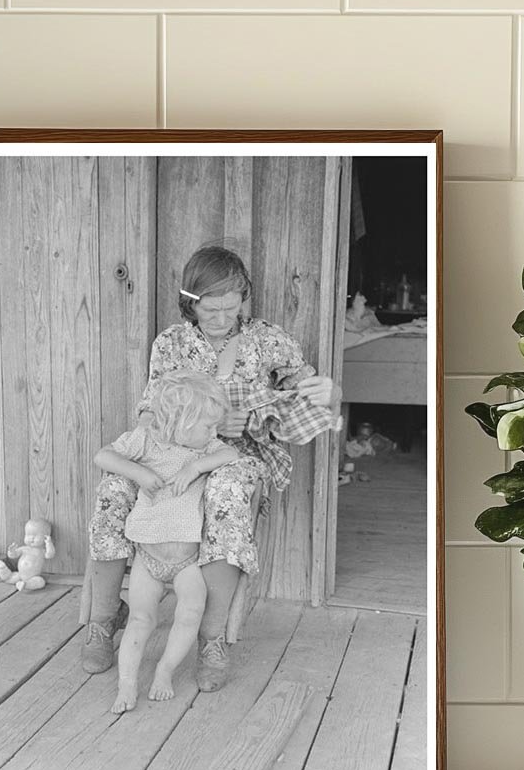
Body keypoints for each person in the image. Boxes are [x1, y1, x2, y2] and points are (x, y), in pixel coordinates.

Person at [82, 244, 341, 691]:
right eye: (211, 310)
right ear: (190, 301)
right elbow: (150, 413)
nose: (223, 318)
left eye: (231, 307)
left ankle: (210, 639)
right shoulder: (172, 343)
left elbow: (314, 400)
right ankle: (105, 620)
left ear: (244, 298)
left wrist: (327, 392)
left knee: (225, 495)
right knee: (114, 489)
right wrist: (195, 431)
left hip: (238, 454)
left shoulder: (268, 340)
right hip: (172, 449)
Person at [93, 371, 239, 713]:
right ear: (181, 421)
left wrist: (198, 467)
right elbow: (103, 456)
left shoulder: (205, 448)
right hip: (148, 559)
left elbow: (231, 454)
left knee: (190, 613)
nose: (213, 432)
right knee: (142, 620)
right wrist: (138, 473)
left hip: (187, 563)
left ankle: (165, 670)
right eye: (207, 426)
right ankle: (127, 684)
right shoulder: (145, 441)